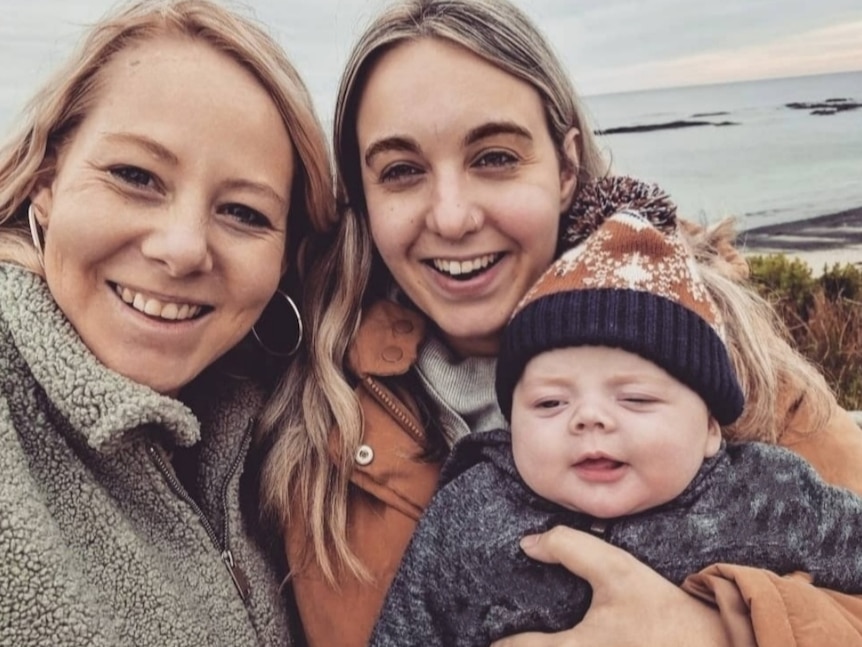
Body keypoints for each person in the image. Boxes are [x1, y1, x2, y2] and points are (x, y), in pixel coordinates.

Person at [257, 1, 862, 645]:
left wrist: (714, 633)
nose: (453, 217)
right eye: (402, 171)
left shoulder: (724, 355)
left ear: (567, 165)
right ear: (362, 195)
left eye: (494, 157)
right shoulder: (315, 422)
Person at [369, 203, 862, 646]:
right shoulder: (469, 512)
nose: (589, 417)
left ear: (711, 428)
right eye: (549, 403)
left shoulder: (766, 495)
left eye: (636, 398)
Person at [0, 1, 334, 645]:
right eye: (135, 176)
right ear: (47, 177)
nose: (183, 249)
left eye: (243, 212)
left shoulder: (270, 425)